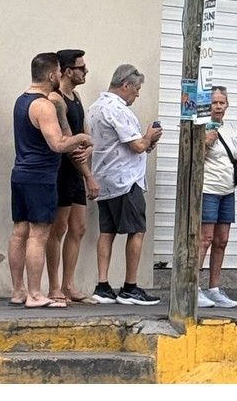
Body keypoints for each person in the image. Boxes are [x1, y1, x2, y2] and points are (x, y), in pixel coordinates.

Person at [8, 53, 92, 309]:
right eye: (58, 72)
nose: (59, 76)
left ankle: (18, 291)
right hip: (40, 177)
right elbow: (57, 144)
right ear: (51, 75)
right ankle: (35, 294)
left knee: (20, 231)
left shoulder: (21, 100)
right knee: (38, 235)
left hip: (21, 173)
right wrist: (81, 138)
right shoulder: (43, 105)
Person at [87, 64, 163, 306]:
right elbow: (137, 145)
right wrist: (150, 135)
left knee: (106, 231)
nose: (138, 94)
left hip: (104, 177)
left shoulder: (95, 107)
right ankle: (130, 286)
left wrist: (146, 143)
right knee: (136, 230)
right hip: (124, 179)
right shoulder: (117, 109)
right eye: (137, 88)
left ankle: (103, 284)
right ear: (126, 85)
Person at [45, 49, 99, 303]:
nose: (85, 72)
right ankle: (54, 286)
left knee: (78, 228)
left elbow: (85, 133)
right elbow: (67, 142)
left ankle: (69, 284)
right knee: (59, 228)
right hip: (64, 170)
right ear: (67, 71)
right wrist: (89, 176)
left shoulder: (75, 96)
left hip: (79, 168)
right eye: (81, 68)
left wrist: (89, 147)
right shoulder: (56, 100)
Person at [197, 86, 237, 309]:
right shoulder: (201, 126)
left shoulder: (231, 129)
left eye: (222, 102)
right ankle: (194, 286)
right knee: (205, 239)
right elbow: (194, 155)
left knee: (221, 240)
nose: (219, 107)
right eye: (214, 103)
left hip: (227, 189)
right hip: (208, 187)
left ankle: (214, 287)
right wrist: (205, 141)